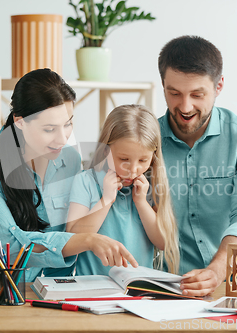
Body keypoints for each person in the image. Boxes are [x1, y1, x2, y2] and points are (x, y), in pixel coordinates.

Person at [0, 69, 138, 283]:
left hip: (40, 295)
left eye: (68, 124)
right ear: (20, 122)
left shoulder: (70, 159)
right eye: (49, 129)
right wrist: (87, 240)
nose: (62, 138)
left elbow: (67, 234)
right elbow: (8, 247)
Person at [157, 36, 237, 296]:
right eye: (174, 93)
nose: (185, 107)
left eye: (197, 94)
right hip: (172, 288)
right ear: (163, 85)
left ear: (219, 85)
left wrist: (218, 269)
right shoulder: (145, 141)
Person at [66, 105, 180, 275]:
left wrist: (141, 203)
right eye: (124, 159)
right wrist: (106, 200)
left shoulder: (152, 184)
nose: (133, 169)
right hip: (92, 288)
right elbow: (72, 237)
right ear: (106, 150)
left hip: (138, 289)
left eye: (143, 160)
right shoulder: (86, 181)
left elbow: (163, 243)